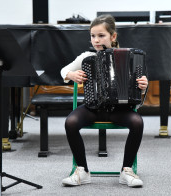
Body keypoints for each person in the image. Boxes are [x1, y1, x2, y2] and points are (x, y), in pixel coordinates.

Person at [60, 14, 148, 187]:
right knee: (70, 122)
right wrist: (71, 75)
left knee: (137, 122)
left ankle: (127, 170)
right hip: (93, 107)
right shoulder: (86, 57)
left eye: (101, 36)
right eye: (93, 36)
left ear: (113, 36)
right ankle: (82, 170)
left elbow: (139, 91)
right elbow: (63, 71)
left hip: (119, 110)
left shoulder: (130, 58)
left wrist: (143, 86)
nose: (96, 40)